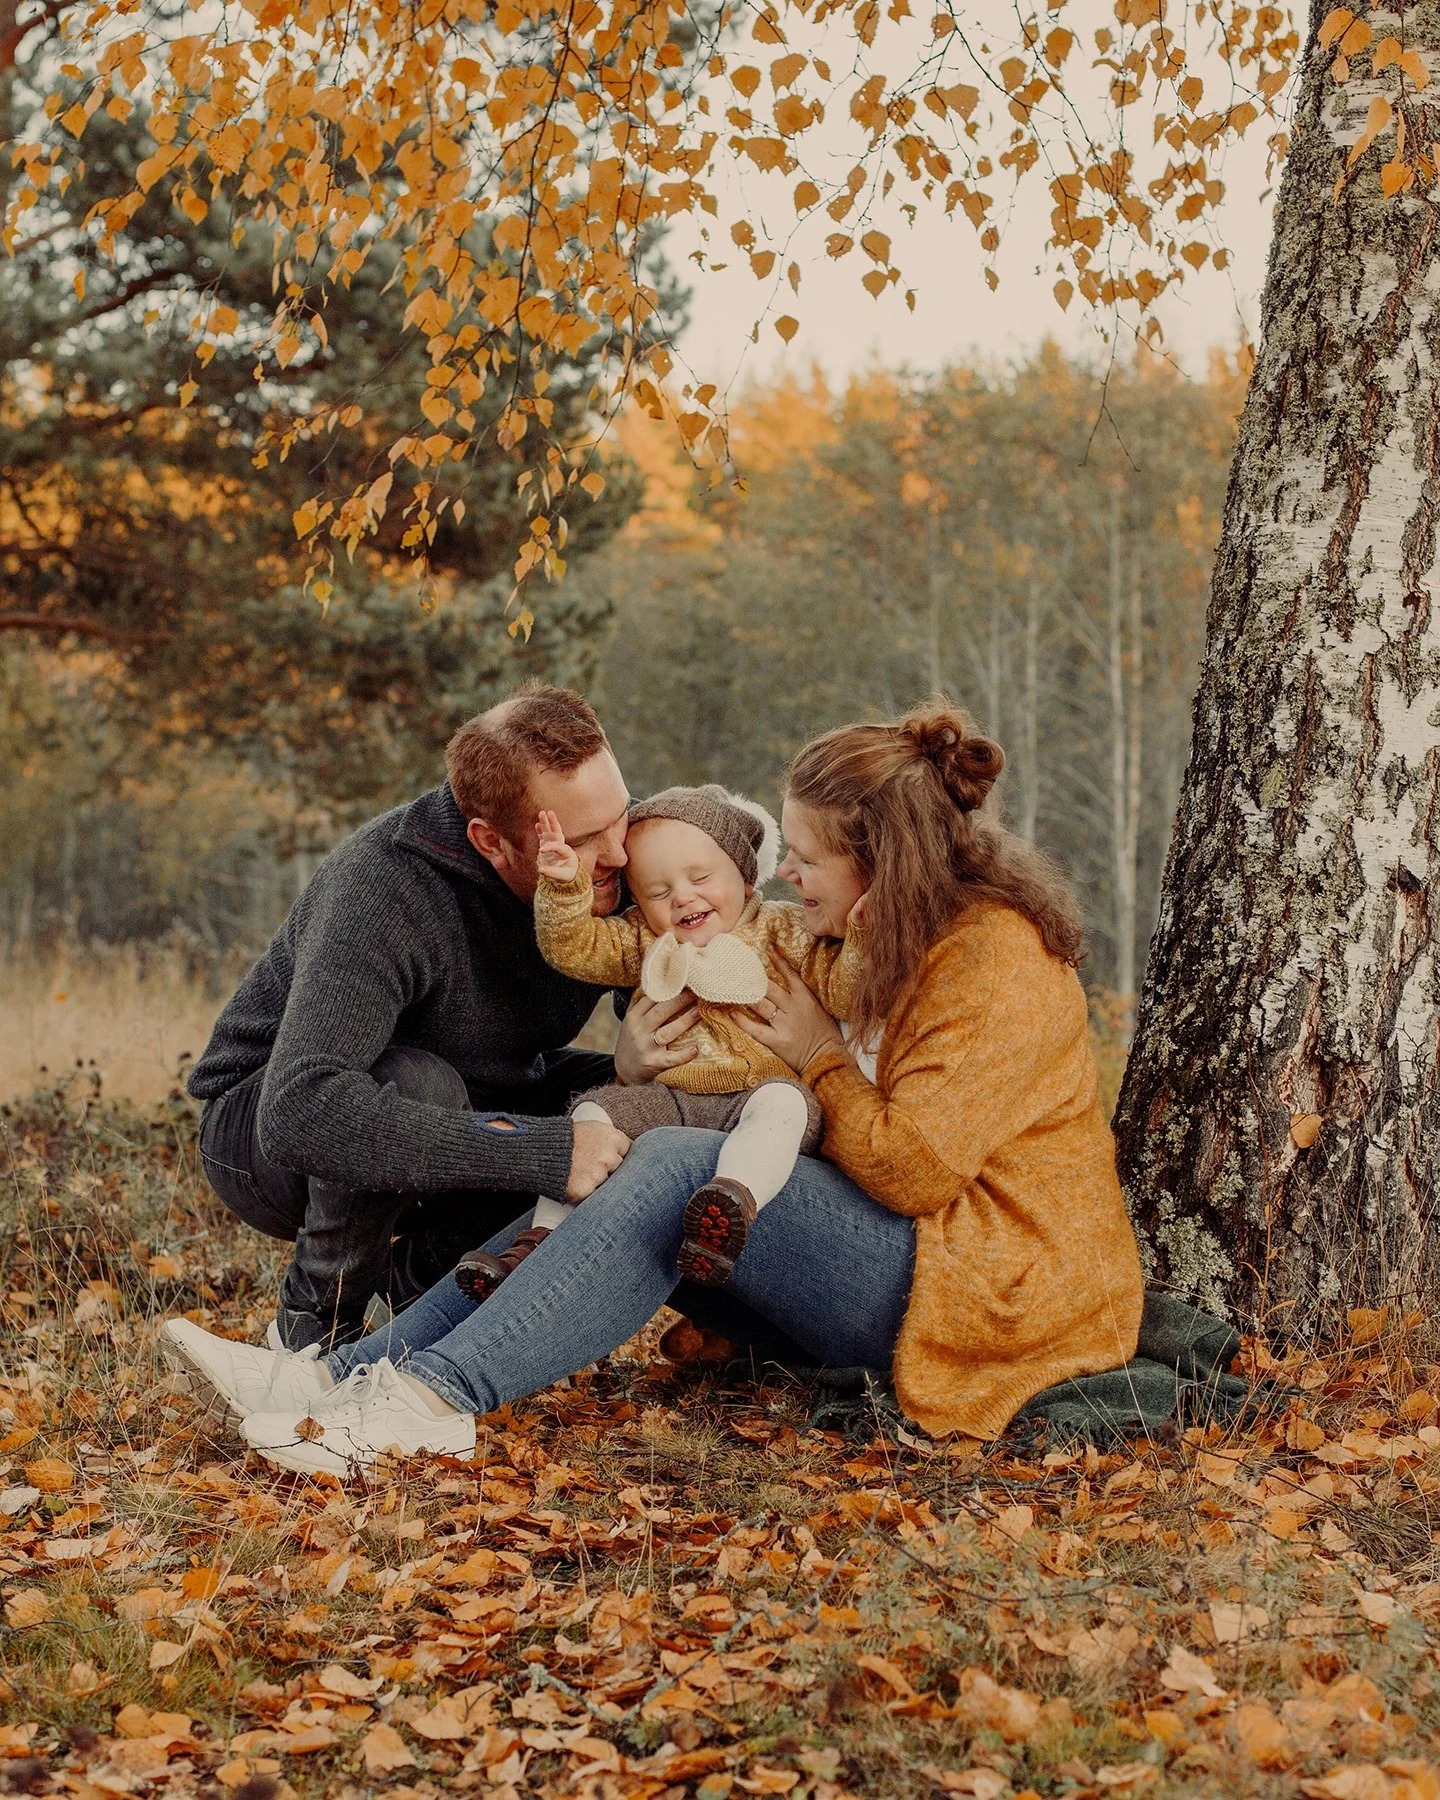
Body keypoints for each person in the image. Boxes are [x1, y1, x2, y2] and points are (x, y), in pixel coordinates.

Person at [164, 700, 1145, 1474]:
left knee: (680, 1161)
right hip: (909, 1251)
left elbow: (918, 1169)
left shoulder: (993, 961)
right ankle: (335, 1380)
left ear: (880, 863)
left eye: (803, 860)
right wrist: (639, 1070)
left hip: (987, 1286)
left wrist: (814, 1059)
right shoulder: (861, 936)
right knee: (657, 1142)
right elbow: (704, 1048)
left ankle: (426, 1404)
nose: (787, 880)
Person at [182, 685, 699, 1352]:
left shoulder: (621, 856)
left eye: (618, 819)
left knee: (647, 1100)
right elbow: (300, 1111)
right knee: (418, 1081)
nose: (619, 856)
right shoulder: (383, 889)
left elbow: (670, 1027)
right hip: (264, 1135)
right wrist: (543, 1152)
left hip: (481, 1089)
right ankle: (315, 1337)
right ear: (490, 841)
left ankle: (411, 1295)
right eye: (582, 841)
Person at [455, 784, 863, 1298]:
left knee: (786, 1107)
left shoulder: (786, 930)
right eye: (657, 891)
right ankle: (540, 1239)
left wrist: (865, 933)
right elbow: (576, 949)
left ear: (741, 870)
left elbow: (846, 991)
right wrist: (563, 887)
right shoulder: (646, 940)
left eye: (700, 878)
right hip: (670, 1098)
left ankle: (729, 1205)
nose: (683, 897)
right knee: (593, 1113)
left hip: (759, 1091)